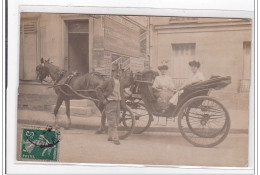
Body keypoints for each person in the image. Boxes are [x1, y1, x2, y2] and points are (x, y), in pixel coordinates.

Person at [95, 63, 125, 145]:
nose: (118, 74)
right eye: (116, 72)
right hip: (110, 103)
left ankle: (110, 136)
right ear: (113, 72)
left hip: (118, 103)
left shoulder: (120, 81)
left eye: (119, 72)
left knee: (116, 120)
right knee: (112, 122)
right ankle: (115, 138)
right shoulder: (108, 81)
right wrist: (103, 100)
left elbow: (122, 92)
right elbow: (98, 89)